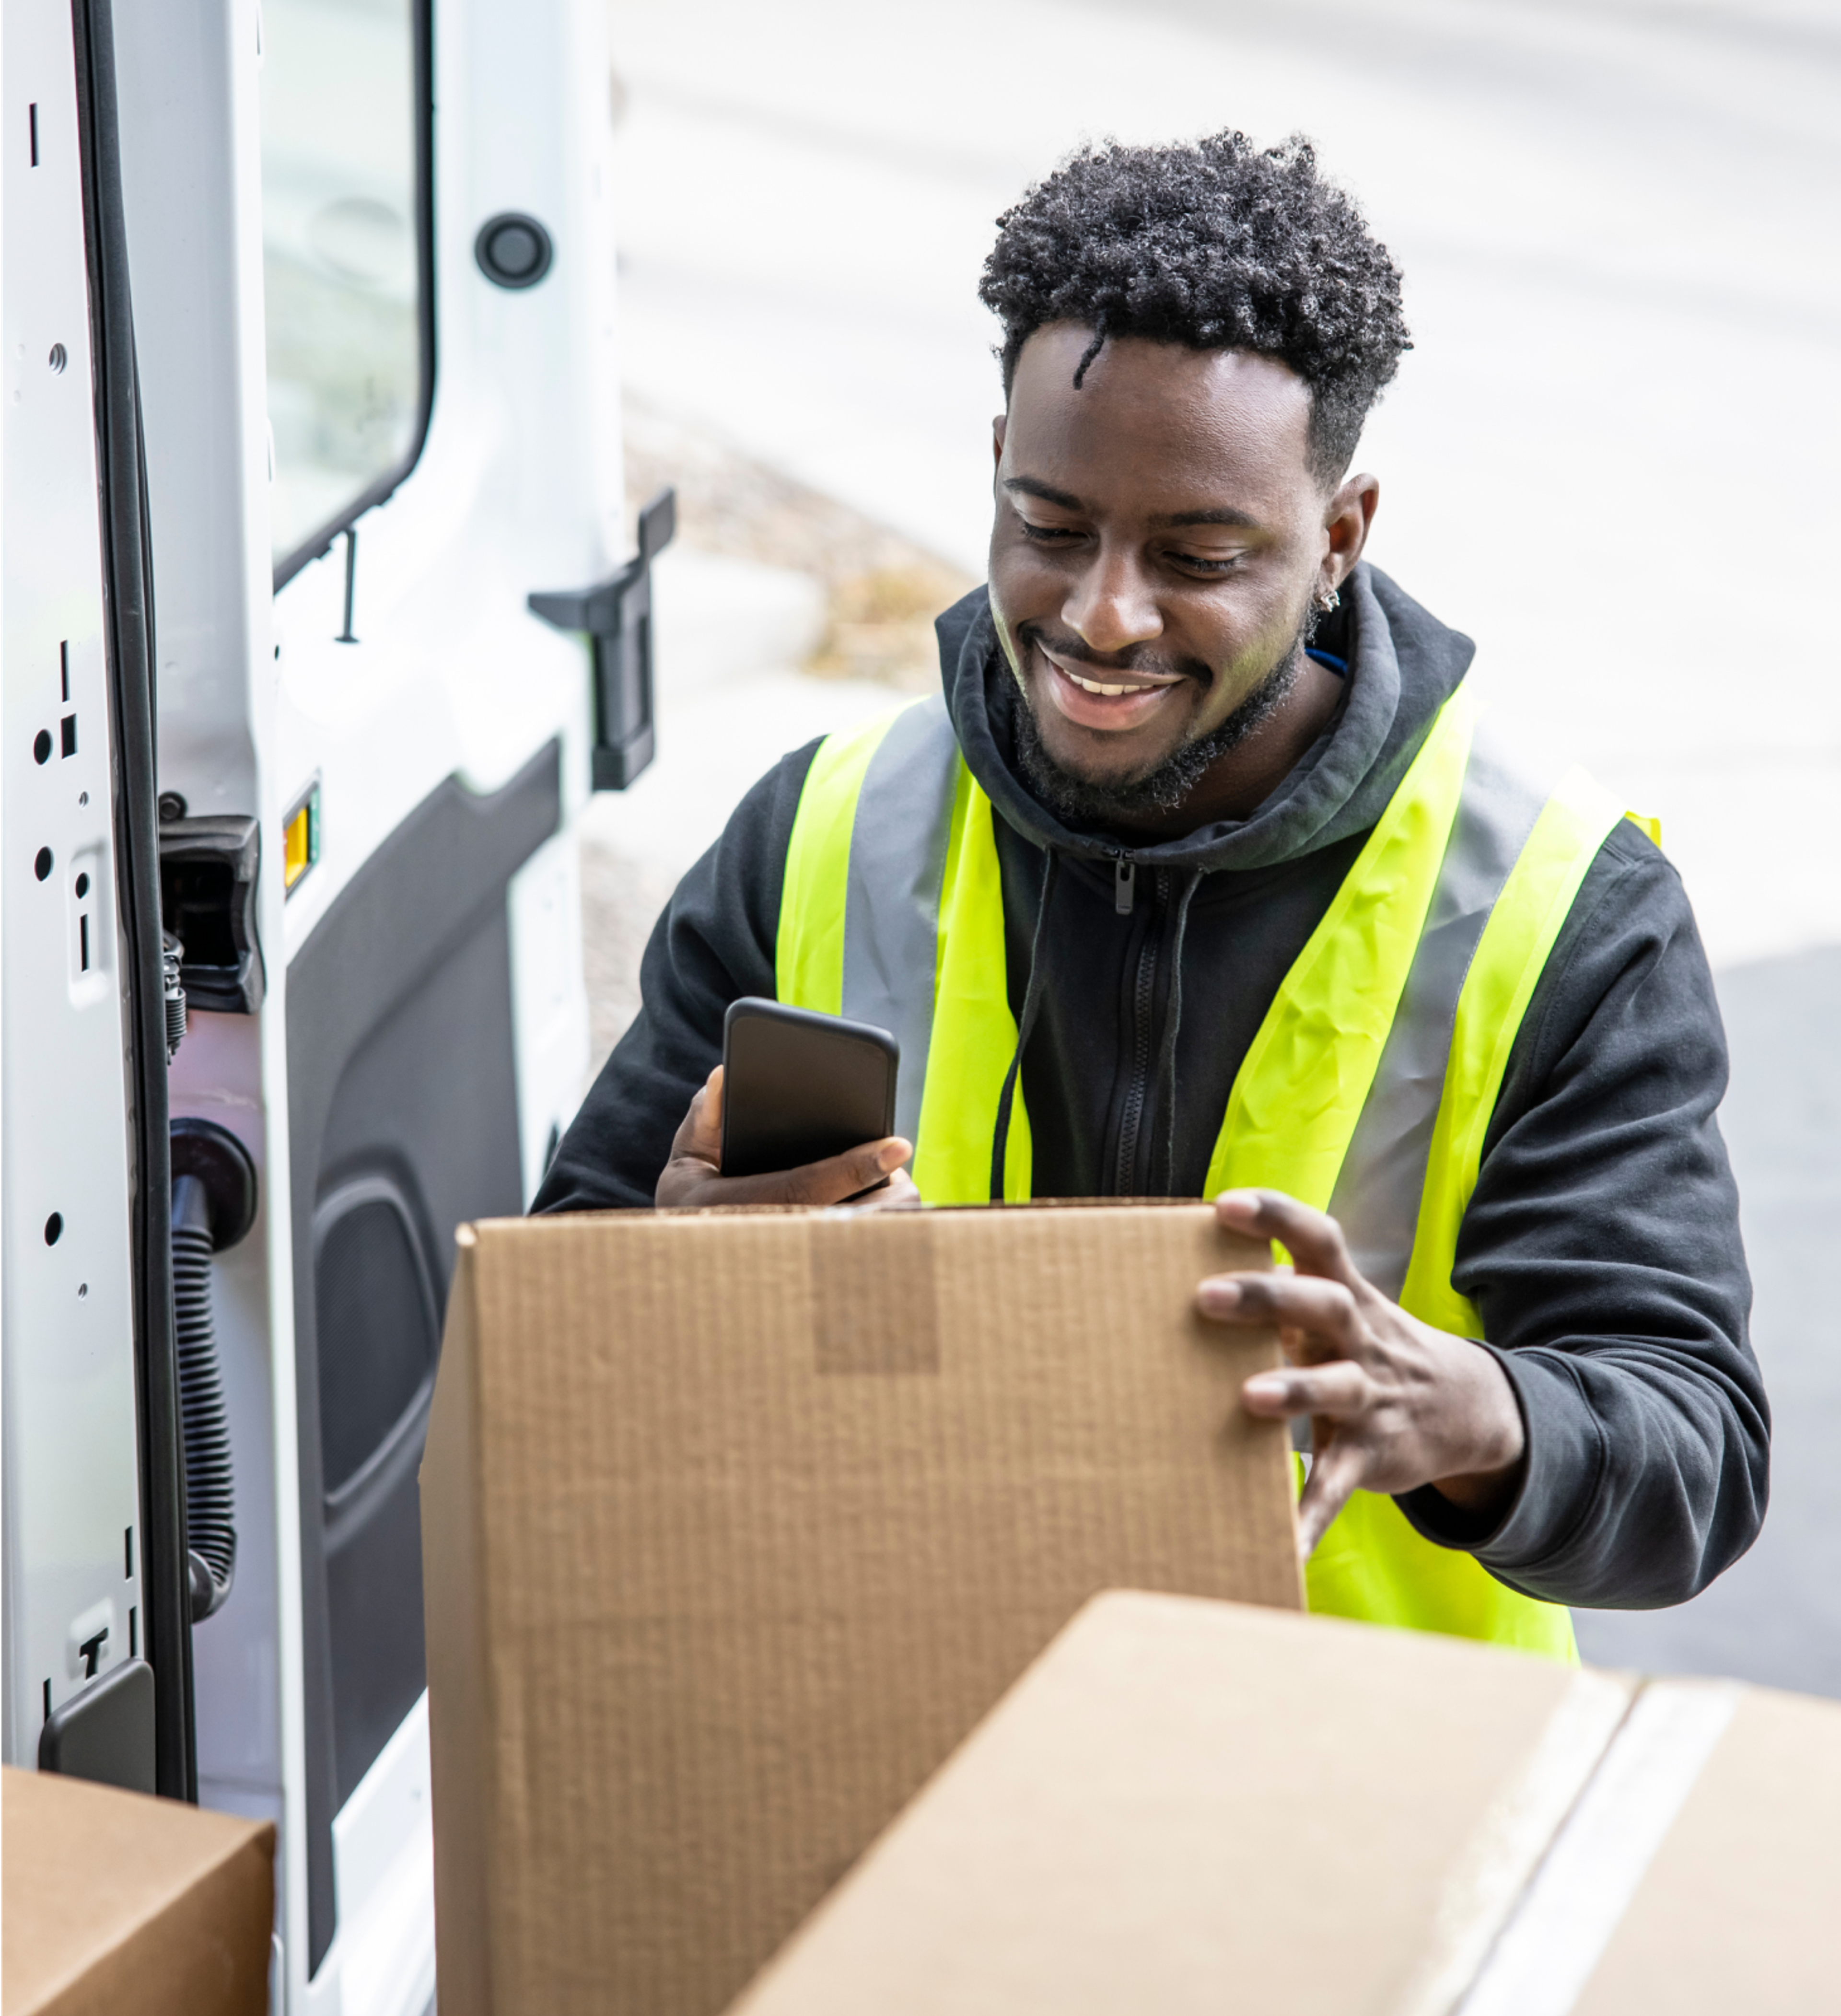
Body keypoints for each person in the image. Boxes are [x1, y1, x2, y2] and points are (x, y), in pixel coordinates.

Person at [536, 132, 1766, 1654]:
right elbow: (557, 1324)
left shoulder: (1561, 906)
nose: (1103, 614)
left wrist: (1478, 1411)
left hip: (1348, 1768)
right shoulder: (822, 828)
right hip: (900, 1733)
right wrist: (672, 1272)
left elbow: (1693, 1456)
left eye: (1198, 554)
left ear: (1339, 536)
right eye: (1050, 529)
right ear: (1000, 459)